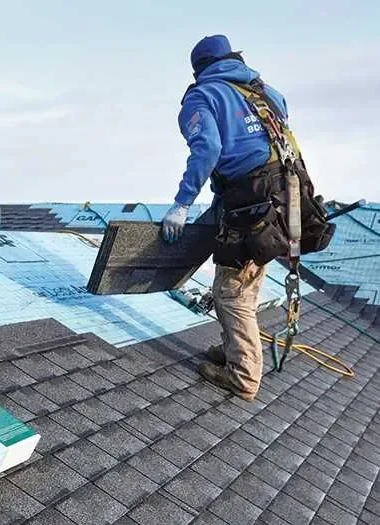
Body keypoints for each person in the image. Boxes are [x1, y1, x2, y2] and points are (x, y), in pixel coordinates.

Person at [160, 35, 326, 402]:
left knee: (228, 293)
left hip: (251, 202)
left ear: (199, 69)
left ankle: (243, 375)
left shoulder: (203, 97)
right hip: (288, 198)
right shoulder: (265, 92)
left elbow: (209, 147)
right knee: (248, 277)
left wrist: (182, 203)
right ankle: (236, 349)